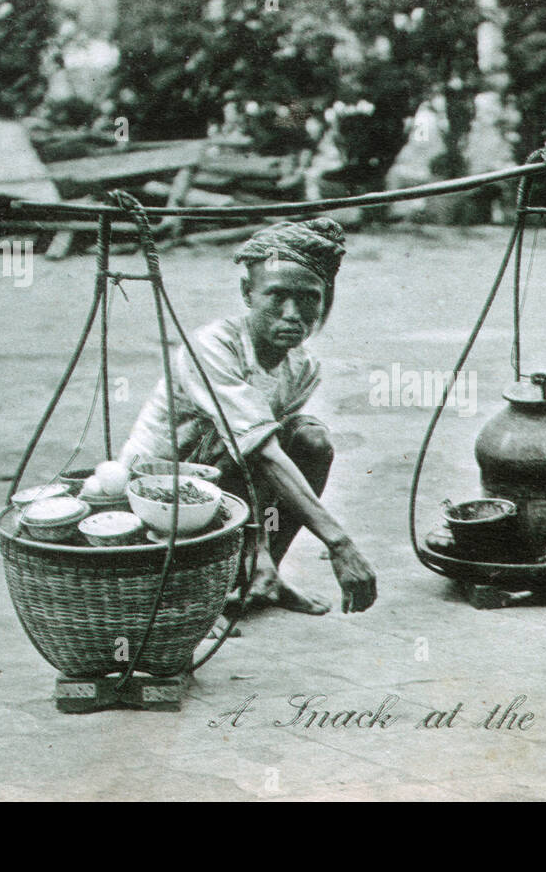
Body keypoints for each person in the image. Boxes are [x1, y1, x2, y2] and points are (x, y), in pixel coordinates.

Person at [118, 218, 376, 617]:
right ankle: (208, 596)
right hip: (161, 488)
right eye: (276, 296)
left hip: (229, 470)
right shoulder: (213, 346)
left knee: (309, 440)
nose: (293, 314)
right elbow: (257, 453)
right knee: (261, 447)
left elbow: (261, 458)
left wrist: (262, 548)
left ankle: (264, 574)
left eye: (309, 298)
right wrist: (339, 543)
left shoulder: (302, 365)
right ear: (247, 293)